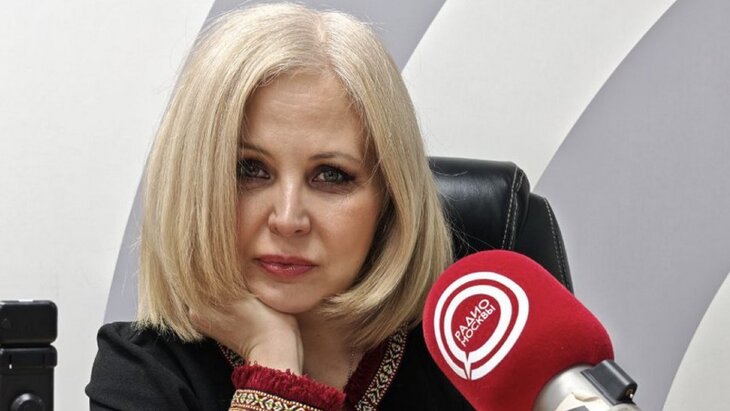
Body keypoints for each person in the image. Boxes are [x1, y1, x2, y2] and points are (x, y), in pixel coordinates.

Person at [86, 3, 472, 410]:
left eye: (331, 175)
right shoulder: (139, 372)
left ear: (390, 197)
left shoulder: (469, 358)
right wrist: (272, 360)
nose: (288, 219)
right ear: (195, 186)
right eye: (250, 170)